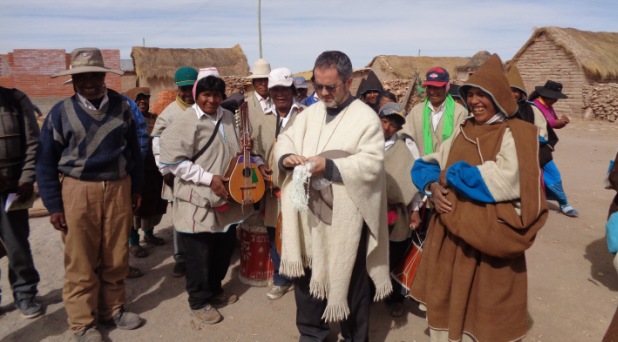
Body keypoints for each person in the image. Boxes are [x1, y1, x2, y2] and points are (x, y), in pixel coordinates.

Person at [410, 54, 548, 341]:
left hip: (492, 241)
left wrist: (454, 174)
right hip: (452, 240)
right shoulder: (463, 131)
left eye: (482, 94)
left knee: (487, 313)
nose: (474, 101)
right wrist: (432, 185)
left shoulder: (516, 133)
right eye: (470, 94)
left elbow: (507, 180)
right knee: (449, 304)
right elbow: (425, 163)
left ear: (498, 96)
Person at [273, 50, 392, 341]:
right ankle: (313, 334)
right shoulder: (308, 114)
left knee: (351, 285)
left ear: (349, 82)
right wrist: (287, 157)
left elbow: (373, 163)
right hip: (308, 216)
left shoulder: (365, 118)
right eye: (318, 85)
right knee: (307, 282)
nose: (323, 92)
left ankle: (354, 337)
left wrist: (330, 166)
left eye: (331, 87)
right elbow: (285, 139)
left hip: (346, 220)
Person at [36, 47, 144, 341]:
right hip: (77, 190)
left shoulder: (122, 107)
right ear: (73, 80)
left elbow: (134, 150)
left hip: (118, 185)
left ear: (103, 76)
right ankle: (83, 323)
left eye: (94, 75)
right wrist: (54, 205)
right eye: (81, 76)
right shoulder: (60, 113)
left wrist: (137, 187)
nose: (89, 81)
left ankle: (113, 309)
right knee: (80, 258)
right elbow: (45, 161)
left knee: (116, 253)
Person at [159, 74, 250, 325]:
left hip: (225, 197)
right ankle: (198, 302)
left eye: (217, 95)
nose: (211, 100)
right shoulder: (184, 121)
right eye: (206, 95)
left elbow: (231, 150)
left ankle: (215, 291)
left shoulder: (228, 117)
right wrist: (209, 179)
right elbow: (173, 161)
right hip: (196, 198)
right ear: (197, 95)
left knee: (222, 249)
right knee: (198, 254)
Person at [248, 67, 303, 300]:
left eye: (284, 89)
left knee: (299, 230)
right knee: (275, 231)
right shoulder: (264, 117)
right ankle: (281, 278)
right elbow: (257, 150)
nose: (280, 94)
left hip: (297, 184)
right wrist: (260, 165)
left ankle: (301, 275)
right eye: (275, 90)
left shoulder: (304, 115)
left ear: (292, 90)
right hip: (271, 187)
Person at [151, 66, 199, 277]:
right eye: (184, 89)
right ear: (177, 89)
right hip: (175, 175)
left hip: (200, 173)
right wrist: (167, 173)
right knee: (180, 217)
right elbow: (157, 145)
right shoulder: (169, 114)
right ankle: (181, 258)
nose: (188, 93)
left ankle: (200, 255)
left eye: (192, 88)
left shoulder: (203, 108)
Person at [0, 86, 42, 319]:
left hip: (13, 190)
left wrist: (27, 179)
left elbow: (33, 142)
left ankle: (25, 293)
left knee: (16, 244)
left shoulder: (16, 100)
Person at [377, 102, 422, 317]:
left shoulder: (404, 149)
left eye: (393, 125)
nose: (387, 128)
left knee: (395, 255)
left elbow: (413, 184)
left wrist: (415, 210)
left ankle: (393, 297)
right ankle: (368, 292)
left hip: (396, 212)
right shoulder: (364, 144)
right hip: (369, 211)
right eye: (384, 121)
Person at [124, 87, 167, 259]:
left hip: (155, 170)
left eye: (145, 98)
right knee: (135, 208)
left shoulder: (156, 119)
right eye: (138, 99)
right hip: (136, 171)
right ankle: (133, 242)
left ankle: (149, 234)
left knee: (154, 204)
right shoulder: (127, 120)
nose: (142, 101)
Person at [529, 80, 579, 217]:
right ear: (547, 95)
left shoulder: (548, 106)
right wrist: (556, 122)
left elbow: (553, 124)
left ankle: (563, 203)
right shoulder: (533, 106)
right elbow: (541, 124)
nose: (556, 100)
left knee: (552, 175)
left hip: (544, 148)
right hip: (532, 146)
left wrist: (561, 123)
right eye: (555, 97)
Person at [400, 67, 468, 158]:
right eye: (429, 87)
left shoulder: (459, 112)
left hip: (449, 168)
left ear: (446, 87)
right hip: (421, 167)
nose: (432, 92)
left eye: (437, 88)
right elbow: (408, 139)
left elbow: (462, 144)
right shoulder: (416, 112)